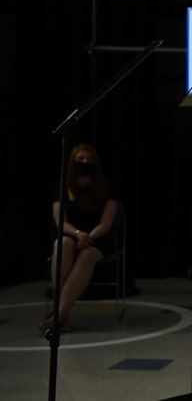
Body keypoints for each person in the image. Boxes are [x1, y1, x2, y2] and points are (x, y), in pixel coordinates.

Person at [40, 143, 119, 333]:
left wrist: (87, 238)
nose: (85, 163)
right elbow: (60, 219)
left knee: (86, 255)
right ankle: (63, 315)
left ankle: (58, 316)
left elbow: (106, 223)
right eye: (81, 159)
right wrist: (77, 234)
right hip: (73, 234)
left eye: (89, 160)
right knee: (63, 243)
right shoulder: (63, 185)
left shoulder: (106, 186)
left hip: (98, 238)